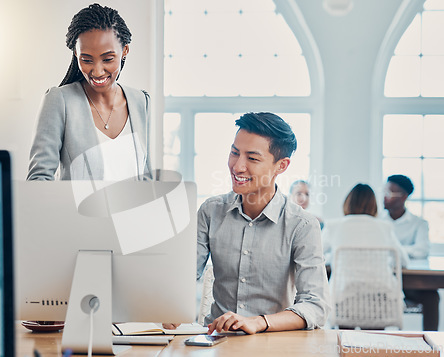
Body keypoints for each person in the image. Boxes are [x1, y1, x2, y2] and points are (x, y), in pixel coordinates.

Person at [164, 112, 330, 334]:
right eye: (234, 153)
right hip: (215, 340)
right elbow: (183, 276)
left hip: (273, 342)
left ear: (281, 166)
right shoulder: (211, 211)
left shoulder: (302, 225)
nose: (237, 166)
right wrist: (168, 304)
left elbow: (315, 305)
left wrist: (259, 322)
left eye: (252, 158)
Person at [27, 3, 151, 181]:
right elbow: (38, 180)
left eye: (108, 59)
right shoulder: (59, 101)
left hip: (134, 209)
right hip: (75, 210)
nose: (97, 71)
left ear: (125, 51)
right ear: (76, 54)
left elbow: (147, 179)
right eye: (86, 59)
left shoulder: (141, 101)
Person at [382, 174, 439, 331]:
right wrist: (404, 251)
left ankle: (431, 343)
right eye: (384, 192)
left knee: (432, 296)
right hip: (382, 282)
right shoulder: (378, 222)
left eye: (389, 193)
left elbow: (422, 250)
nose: (384, 197)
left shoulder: (419, 223)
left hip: (410, 283)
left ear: (403, 197)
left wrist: (394, 251)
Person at [322, 183, 409, 268]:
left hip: (343, 282)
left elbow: (313, 257)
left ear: (347, 203)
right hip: (380, 282)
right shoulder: (385, 227)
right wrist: (384, 262)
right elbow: (403, 261)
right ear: (374, 205)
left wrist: (333, 259)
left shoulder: (332, 226)